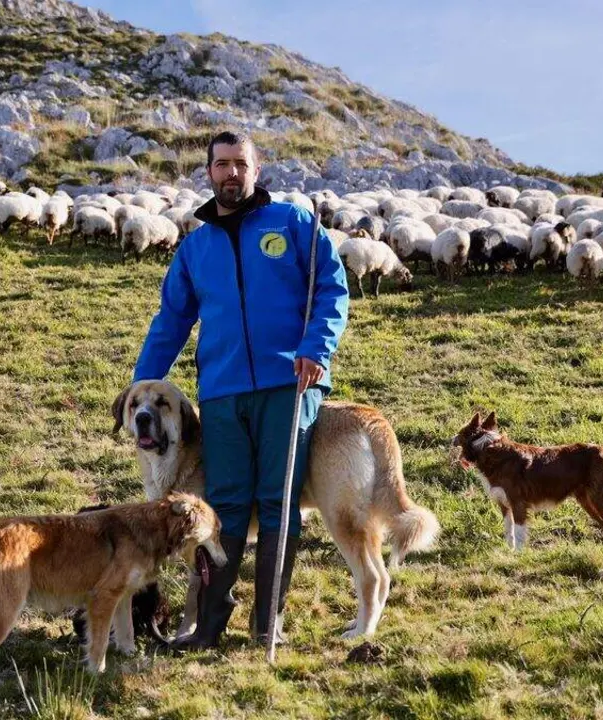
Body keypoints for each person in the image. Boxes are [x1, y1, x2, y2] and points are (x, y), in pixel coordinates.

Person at [131, 131, 350, 650]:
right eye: (221, 164)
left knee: (278, 503)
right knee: (222, 509)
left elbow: (331, 288)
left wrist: (316, 348)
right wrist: (139, 386)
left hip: (288, 385)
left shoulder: (293, 224)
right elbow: (172, 319)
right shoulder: (196, 247)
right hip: (223, 394)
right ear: (208, 172)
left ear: (257, 169)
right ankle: (207, 626)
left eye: (240, 164)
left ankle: (265, 623)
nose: (231, 173)